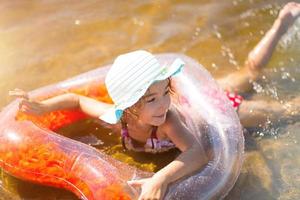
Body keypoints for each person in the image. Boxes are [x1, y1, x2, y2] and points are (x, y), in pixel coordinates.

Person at [9, 2, 300, 200]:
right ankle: (281, 26)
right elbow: (76, 100)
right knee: (247, 73)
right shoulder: (115, 117)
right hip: (198, 103)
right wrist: (42, 107)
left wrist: (160, 178)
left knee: (285, 109)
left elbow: (195, 154)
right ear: (130, 106)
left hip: (218, 109)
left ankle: (280, 25)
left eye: (164, 92)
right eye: (151, 99)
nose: (162, 104)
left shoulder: (169, 120)